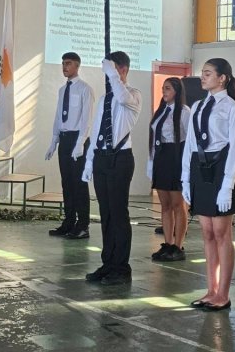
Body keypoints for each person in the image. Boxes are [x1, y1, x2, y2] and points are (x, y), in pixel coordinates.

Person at [181, 58, 235, 311]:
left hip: (221, 169)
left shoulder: (232, 108)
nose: (202, 77)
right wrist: (186, 177)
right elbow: (190, 143)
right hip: (200, 167)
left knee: (221, 233)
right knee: (207, 232)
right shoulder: (197, 106)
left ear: (222, 78)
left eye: (208, 73)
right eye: (203, 73)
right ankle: (211, 289)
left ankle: (223, 294)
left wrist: (228, 185)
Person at [83, 51, 142, 285]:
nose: (108, 75)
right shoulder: (104, 99)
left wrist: (113, 74)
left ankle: (121, 267)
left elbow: (122, 97)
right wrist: (89, 160)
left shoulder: (133, 95)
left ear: (123, 69)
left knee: (118, 214)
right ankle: (108, 263)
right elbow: (96, 131)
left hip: (120, 159)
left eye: (113, 70)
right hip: (101, 158)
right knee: (105, 214)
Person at [45, 52, 94, 239]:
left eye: (68, 63)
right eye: (63, 63)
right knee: (66, 182)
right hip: (65, 139)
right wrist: (54, 140)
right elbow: (59, 116)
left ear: (77, 66)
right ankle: (69, 222)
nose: (65, 67)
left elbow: (86, 118)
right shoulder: (62, 90)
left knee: (79, 183)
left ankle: (83, 225)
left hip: (77, 139)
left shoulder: (85, 89)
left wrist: (81, 142)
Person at [148, 77, 190, 262]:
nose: (164, 92)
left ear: (177, 91)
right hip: (161, 157)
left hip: (176, 157)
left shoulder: (184, 112)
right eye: (163, 88)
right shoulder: (162, 110)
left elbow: (190, 139)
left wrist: (187, 165)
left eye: (168, 88)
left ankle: (178, 246)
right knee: (165, 205)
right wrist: (151, 161)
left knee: (178, 205)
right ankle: (167, 243)